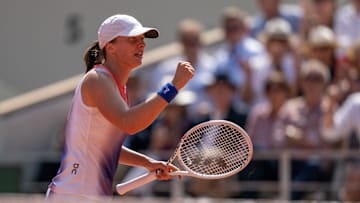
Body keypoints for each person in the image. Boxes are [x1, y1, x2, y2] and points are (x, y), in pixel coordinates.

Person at [45, 14, 195, 201]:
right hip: (73, 195)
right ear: (110, 46)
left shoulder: (114, 86)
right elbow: (129, 123)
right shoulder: (97, 79)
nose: (142, 45)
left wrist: (148, 163)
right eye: (133, 40)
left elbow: (105, 147)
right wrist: (172, 87)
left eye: (142, 40)